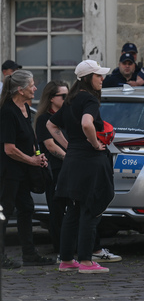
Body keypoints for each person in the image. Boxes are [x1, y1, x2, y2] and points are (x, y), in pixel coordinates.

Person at [47, 60, 114, 274]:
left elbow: (51, 124)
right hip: (90, 161)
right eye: (98, 75)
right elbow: (87, 123)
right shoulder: (89, 99)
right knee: (90, 210)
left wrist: (70, 145)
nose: (102, 79)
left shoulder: (71, 99)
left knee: (73, 211)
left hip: (73, 160)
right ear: (87, 78)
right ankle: (86, 262)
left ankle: (66, 260)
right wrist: (95, 144)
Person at [0, 70, 54, 269]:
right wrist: (32, 161)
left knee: (26, 208)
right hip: (8, 172)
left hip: (22, 170)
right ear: (20, 90)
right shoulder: (7, 112)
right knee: (4, 212)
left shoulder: (24, 108)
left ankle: (29, 254)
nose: (35, 88)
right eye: (32, 85)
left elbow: (28, 140)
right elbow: (9, 149)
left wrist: (38, 156)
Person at [34, 80, 70, 254]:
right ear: (51, 98)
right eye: (63, 96)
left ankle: (73, 245)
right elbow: (50, 145)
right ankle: (60, 248)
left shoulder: (68, 116)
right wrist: (69, 158)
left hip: (70, 169)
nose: (66, 98)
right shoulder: (44, 119)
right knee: (56, 211)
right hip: (54, 169)